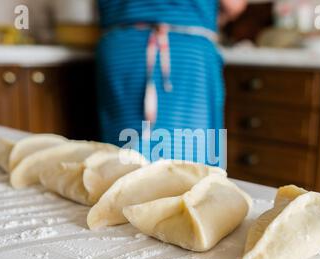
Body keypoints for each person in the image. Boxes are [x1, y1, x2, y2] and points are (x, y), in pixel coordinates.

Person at [96, 0, 247, 166]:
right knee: (191, 156)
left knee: (125, 152)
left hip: (122, 48)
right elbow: (234, 5)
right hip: (185, 50)